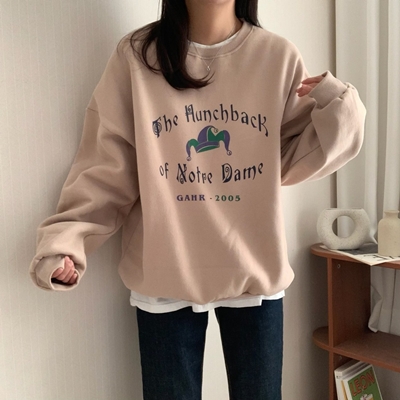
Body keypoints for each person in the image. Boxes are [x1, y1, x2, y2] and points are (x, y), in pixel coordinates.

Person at [29, 0, 366, 399]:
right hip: (165, 271)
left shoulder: (276, 56)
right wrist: (67, 242)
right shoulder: (138, 57)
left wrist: (341, 105)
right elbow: (107, 168)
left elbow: (298, 155)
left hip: (252, 270)